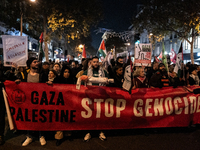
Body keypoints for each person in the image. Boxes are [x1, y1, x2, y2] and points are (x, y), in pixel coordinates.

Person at [14, 57, 47, 146]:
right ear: (30, 64)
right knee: (29, 118)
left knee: (40, 117)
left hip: (40, 101)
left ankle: (41, 135)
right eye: (34, 62)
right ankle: (29, 136)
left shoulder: (42, 74)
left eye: (37, 61)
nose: (37, 63)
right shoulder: (24, 74)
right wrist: (18, 82)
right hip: (28, 101)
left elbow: (45, 86)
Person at [81, 56, 108, 141]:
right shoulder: (86, 72)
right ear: (91, 63)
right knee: (90, 116)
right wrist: (83, 80)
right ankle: (88, 132)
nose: (96, 63)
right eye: (94, 62)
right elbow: (81, 83)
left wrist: (107, 81)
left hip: (100, 97)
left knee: (100, 115)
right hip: (90, 97)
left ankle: (101, 132)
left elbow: (107, 82)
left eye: (97, 62)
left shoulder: (103, 72)